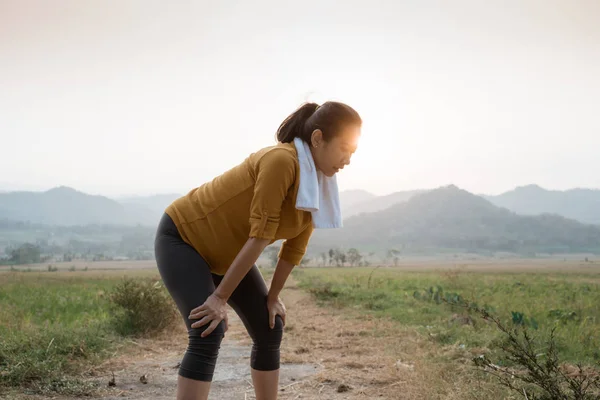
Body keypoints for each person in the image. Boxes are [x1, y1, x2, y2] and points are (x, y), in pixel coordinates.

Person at [154, 101, 362, 400]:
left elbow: (293, 249)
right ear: (317, 139)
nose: (348, 160)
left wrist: (273, 298)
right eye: (344, 148)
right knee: (207, 330)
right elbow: (261, 235)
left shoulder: (318, 184)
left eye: (353, 152)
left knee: (270, 327)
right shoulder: (281, 161)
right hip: (185, 238)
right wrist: (218, 298)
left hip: (228, 255)